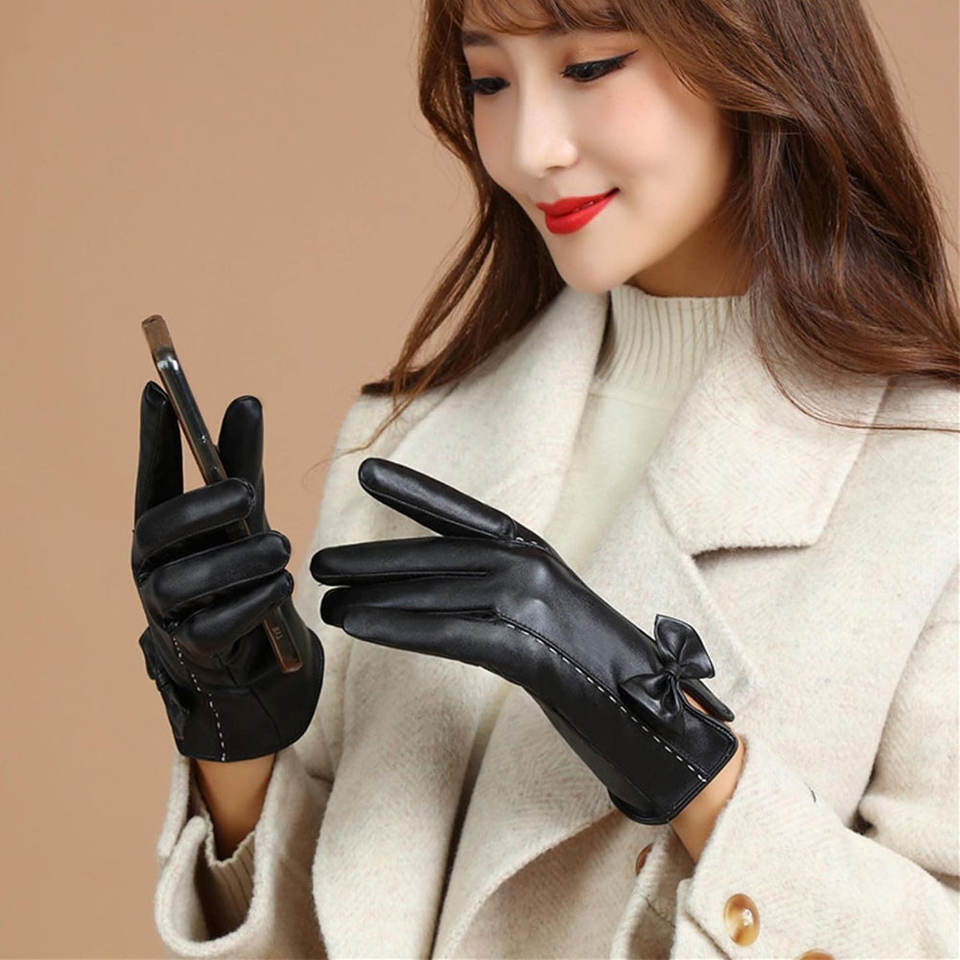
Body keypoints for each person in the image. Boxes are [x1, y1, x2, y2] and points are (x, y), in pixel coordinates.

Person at [130, 0, 960, 956]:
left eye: (591, 67)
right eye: (488, 81)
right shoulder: (408, 442)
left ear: (757, 52)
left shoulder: (929, 483)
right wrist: (235, 752)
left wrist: (694, 768)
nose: (529, 150)